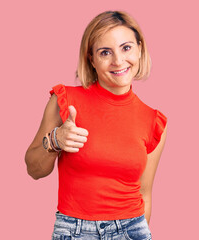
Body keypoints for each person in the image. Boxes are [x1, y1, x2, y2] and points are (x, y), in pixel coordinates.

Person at [25, 10, 167, 240]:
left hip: (132, 230)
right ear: (91, 58)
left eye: (126, 48)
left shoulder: (154, 121)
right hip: (73, 230)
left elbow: (145, 194)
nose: (118, 61)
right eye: (105, 52)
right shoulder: (65, 101)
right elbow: (34, 169)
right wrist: (55, 140)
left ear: (140, 49)